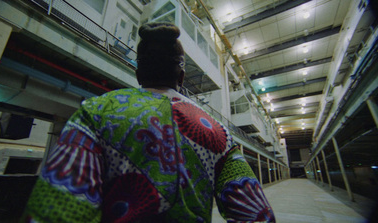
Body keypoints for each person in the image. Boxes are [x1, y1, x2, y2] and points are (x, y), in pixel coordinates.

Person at [21, 22, 275, 223]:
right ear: (182, 76)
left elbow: (56, 207)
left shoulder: (96, 112)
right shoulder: (217, 132)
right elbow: (257, 214)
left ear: (138, 73)